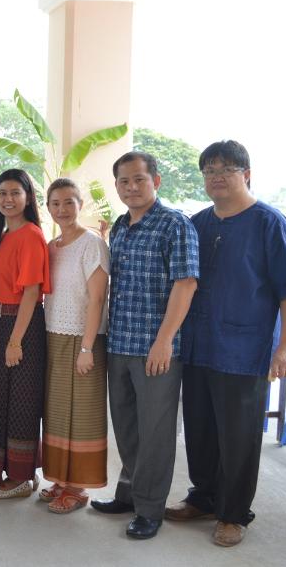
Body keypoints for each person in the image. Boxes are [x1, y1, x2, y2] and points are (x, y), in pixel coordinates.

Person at [167, 141, 286, 547]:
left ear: (246, 174)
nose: (217, 177)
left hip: (244, 350)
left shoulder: (269, 223)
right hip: (198, 345)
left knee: (238, 436)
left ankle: (233, 513)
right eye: (209, 170)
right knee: (200, 429)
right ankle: (204, 498)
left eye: (226, 169)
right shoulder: (197, 223)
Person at [90, 151, 199, 540]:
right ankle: (128, 494)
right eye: (124, 181)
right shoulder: (120, 227)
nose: (131, 187)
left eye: (139, 179)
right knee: (127, 426)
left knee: (155, 432)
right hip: (120, 342)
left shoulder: (175, 225)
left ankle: (150, 509)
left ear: (156, 181)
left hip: (156, 349)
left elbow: (186, 284)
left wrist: (164, 340)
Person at [40, 178, 110, 513]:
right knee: (57, 412)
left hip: (84, 339)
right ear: (48, 207)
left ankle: (78, 487)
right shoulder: (51, 246)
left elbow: (97, 299)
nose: (62, 209)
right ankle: (60, 479)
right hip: (53, 336)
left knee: (82, 413)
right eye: (55, 203)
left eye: (69, 202)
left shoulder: (92, 243)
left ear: (80, 205)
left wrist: (87, 348)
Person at [0, 169, 51, 500]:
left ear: (28, 197)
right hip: (0, 325)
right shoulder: (4, 235)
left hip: (20, 327)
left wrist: (15, 341)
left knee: (21, 402)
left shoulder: (30, 235)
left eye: (15, 193)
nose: (8, 199)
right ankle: (15, 472)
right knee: (0, 400)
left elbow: (31, 292)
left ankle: (21, 478)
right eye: (2, 193)